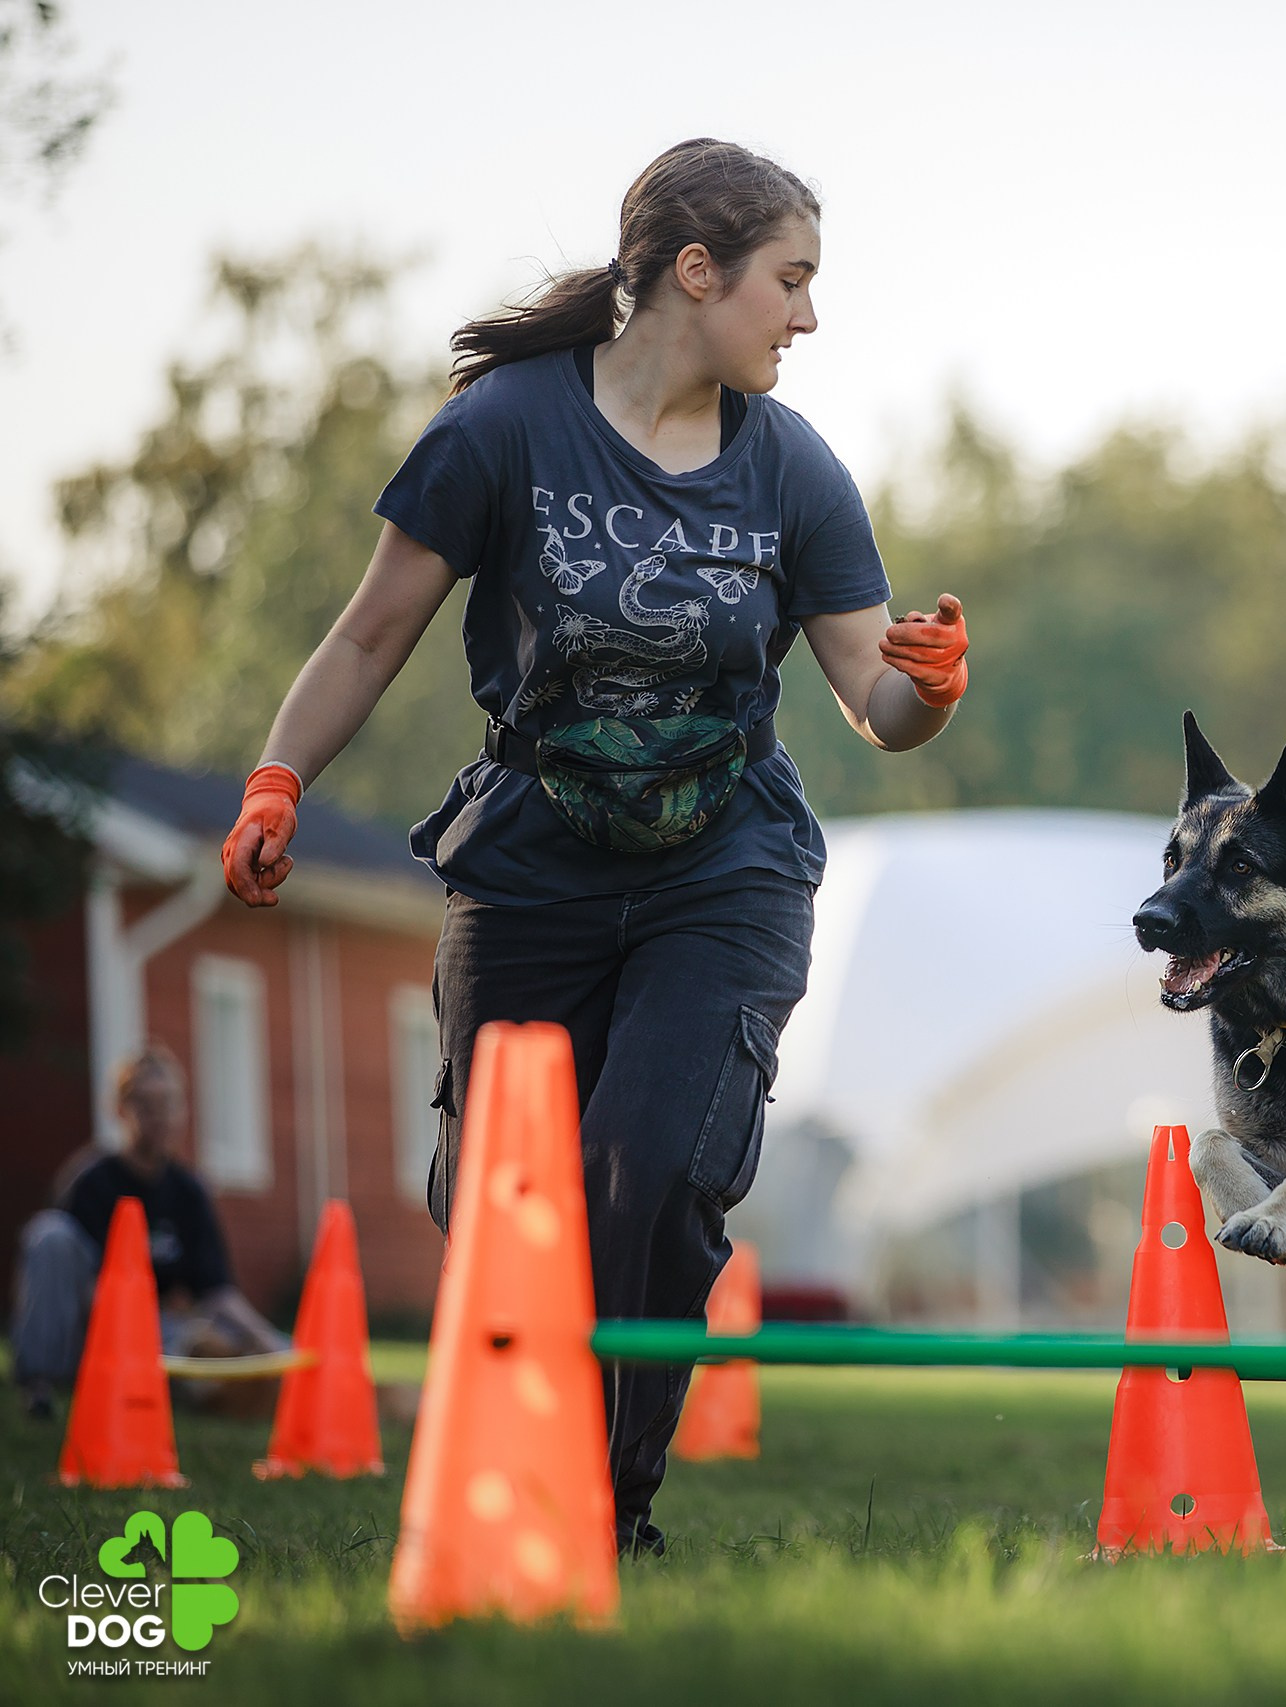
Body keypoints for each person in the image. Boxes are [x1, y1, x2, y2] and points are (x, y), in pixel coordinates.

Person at [216, 139, 968, 1557]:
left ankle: (607, 1499)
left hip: (724, 865)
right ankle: (530, 1456)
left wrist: (923, 686)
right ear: (698, 271)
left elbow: (874, 700)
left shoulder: (794, 467)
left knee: (655, 1168)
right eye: (790, 282)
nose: (807, 316)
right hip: (533, 860)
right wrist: (276, 779)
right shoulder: (503, 430)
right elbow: (373, 627)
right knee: (495, 1194)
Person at [11, 1046, 288, 1418]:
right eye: (145, 1104)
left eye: (169, 1104)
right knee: (50, 1233)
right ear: (120, 1110)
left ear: (183, 1111)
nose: (159, 1117)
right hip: (93, 1329)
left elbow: (218, 1292)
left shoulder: (189, 1191)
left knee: (215, 1342)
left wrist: (275, 1347)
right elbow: (76, 1282)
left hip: (158, 1329)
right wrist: (131, 1334)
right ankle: (39, 1385)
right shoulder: (91, 1182)